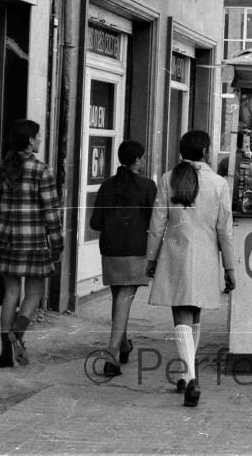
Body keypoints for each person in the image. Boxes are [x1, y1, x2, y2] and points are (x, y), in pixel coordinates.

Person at [145, 130, 235, 407]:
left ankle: (188, 376)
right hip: (206, 256)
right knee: (194, 313)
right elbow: (225, 230)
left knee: (180, 315)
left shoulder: (168, 179)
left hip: (174, 254)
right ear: (206, 152)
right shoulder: (219, 183)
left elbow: (157, 223)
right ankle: (189, 376)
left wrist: (151, 258)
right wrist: (230, 268)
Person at [0, 119, 63, 369]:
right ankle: (18, 333)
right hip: (32, 242)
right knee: (34, 292)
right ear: (31, 141)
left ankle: (4, 353)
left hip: (4, 241)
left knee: (11, 293)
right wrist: (57, 245)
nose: (41, 139)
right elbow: (51, 213)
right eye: (39, 136)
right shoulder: (41, 170)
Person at [89, 140, 156, 377]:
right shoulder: (148, 186)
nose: (144, 161)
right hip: (136, 249)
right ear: (137, 160)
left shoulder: (107, 186)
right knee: (124, 298)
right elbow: (154, 222)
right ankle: (111, 356)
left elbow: (95, 223)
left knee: (119, 296)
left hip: (110, 249)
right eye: (143, 158)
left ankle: (124, 344)